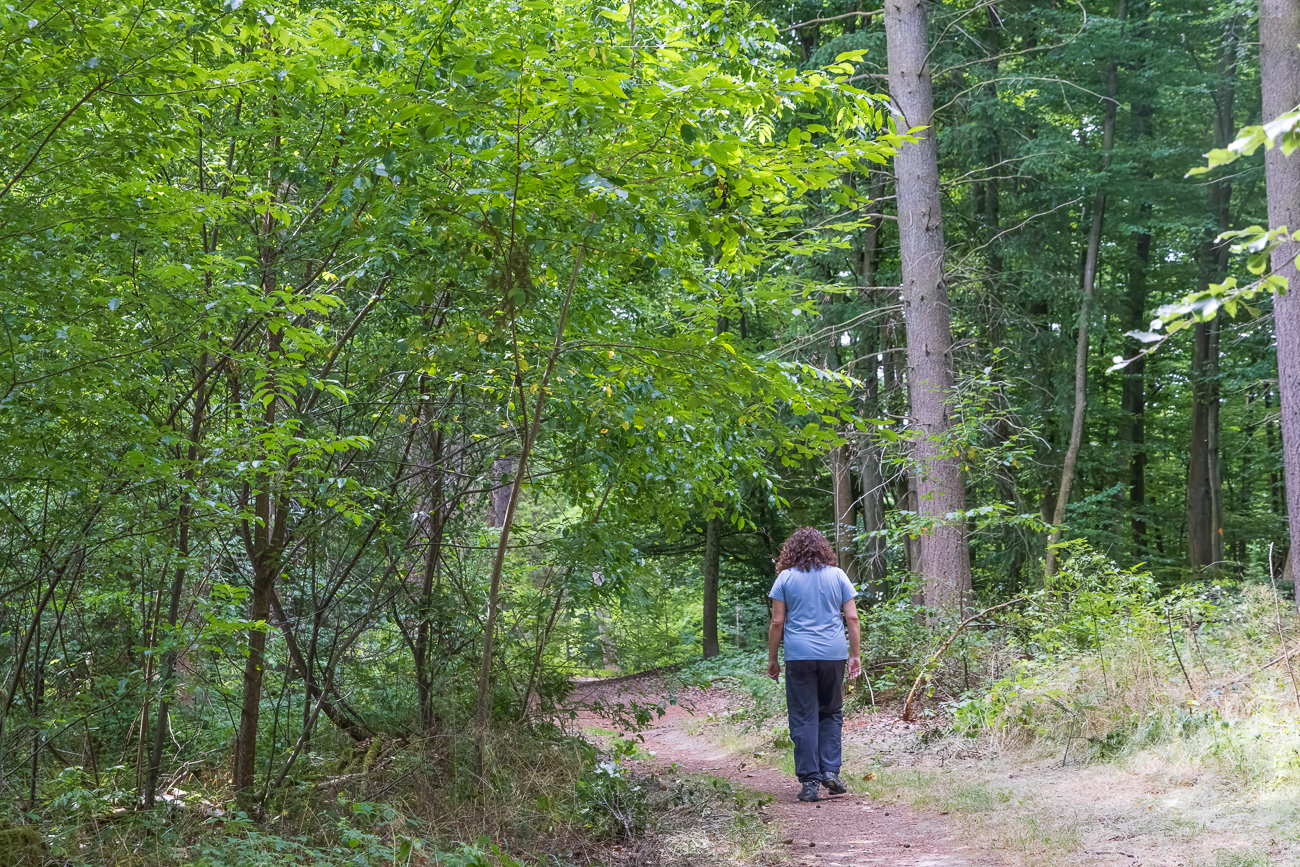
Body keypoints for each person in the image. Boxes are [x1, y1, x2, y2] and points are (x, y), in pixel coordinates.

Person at [766, 527, 861, 802]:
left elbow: (777, 622)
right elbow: (852, 619)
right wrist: (855, 655)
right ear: (824, 548)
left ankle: (809, 781)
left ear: (790, 551)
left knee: (803, 716)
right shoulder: (838, 575)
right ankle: (830, 771)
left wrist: (773, 659)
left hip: (799, 656)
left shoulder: (785, 578)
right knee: (830, 712)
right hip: (834, 654)